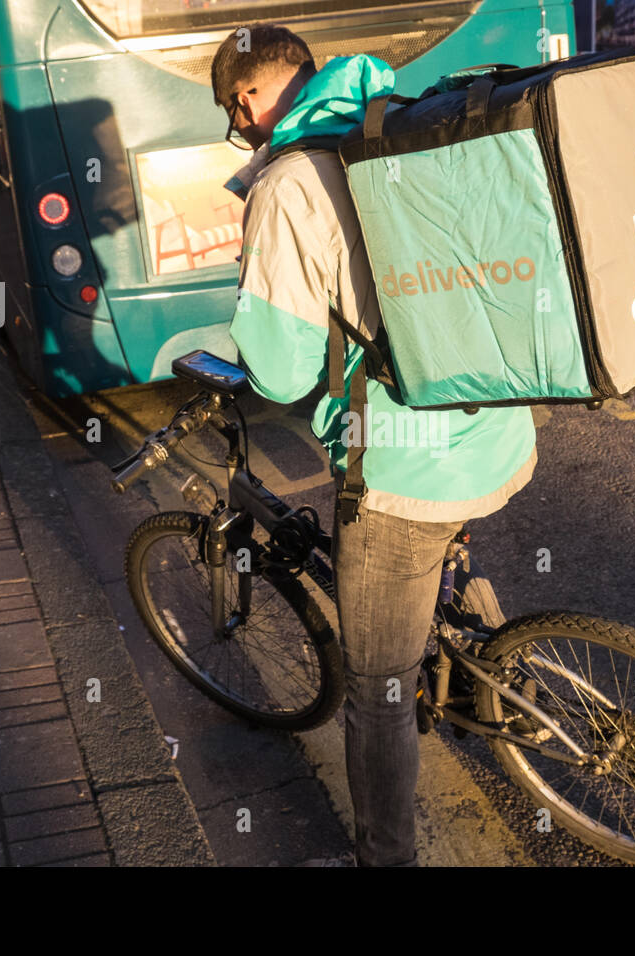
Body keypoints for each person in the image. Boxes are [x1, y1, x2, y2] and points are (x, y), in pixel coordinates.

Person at [213, 24, 536, 866]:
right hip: (495, 426)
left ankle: (383, 858)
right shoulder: (402, 121)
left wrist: (251, 318)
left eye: (233, 112)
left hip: (404, 471)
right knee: (431, 576)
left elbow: (282, 376)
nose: (239, 128)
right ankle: (495, 659)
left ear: (251, 99)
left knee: (378, 693)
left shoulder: (287, 183)